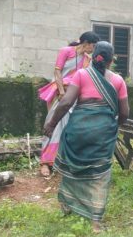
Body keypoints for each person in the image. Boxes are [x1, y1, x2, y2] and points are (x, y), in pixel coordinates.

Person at [45, 41, 129, 232]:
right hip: (102, 135)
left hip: (78, 131)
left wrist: (51, 124)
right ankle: (96, 223)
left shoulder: (82, 75)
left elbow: (66, 102)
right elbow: (124, 113)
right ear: (110, 61)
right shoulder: (118, 81)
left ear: (93, 57)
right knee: (100, 175)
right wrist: (113, 126)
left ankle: (67, 207)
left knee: (72, 169)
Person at [38, 31, 100, 176]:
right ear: (86, 43)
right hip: (59, 94)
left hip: (73, 97)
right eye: (93, 45)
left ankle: (61, 161)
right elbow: (57, 72)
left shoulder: (87, 60)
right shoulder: (66, 51)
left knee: (68, 128)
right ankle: (45, 163)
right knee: (52, 125)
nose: (94, 48)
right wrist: (61, 92)